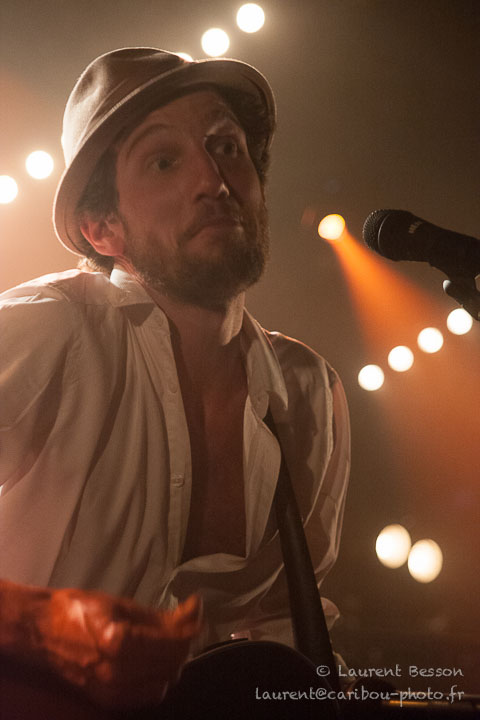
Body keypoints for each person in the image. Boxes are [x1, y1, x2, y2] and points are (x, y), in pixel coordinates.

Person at [0, 47, 350, 709]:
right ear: (102, 228)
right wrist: (38, 627)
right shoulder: (49, 329)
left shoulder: (309, 392)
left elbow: (284, 631)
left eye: (226, 147)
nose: (214, 180)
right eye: (164, 160)